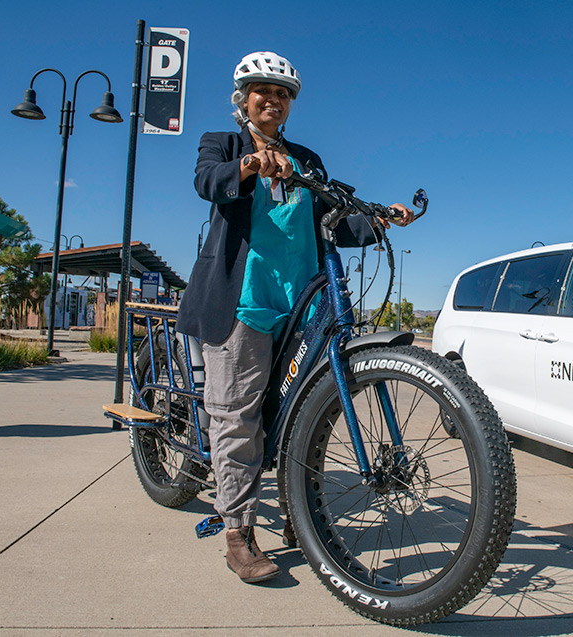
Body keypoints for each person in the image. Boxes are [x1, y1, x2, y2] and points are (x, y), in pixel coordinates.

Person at [177, 51, 414, 583]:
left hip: (303, 304)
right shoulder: (224, 144)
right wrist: (251, 165)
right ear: (244, 97)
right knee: (237, 418)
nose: (273, 99)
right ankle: (238, 531)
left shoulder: (306, 158)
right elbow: (208, 182)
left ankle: (299, 515)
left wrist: (379, 220)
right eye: (263, 90)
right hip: (243, 301)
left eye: (282, 93)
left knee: (302, 414)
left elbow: (331, 219)